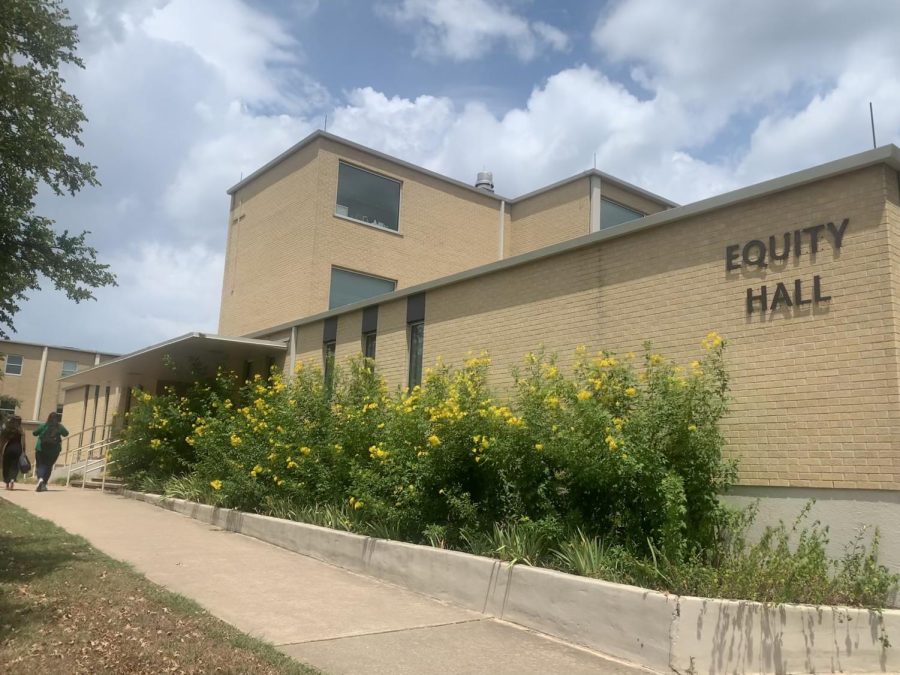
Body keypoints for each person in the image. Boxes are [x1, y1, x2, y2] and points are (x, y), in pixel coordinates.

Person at [33, 411, 68, 492]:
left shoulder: (44, 425)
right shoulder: (59, 427)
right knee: (48, 466)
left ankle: (40, 479)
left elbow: (34, 433)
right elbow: (66, 434)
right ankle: (44, 484)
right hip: (54, 451)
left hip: (41, 449)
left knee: (40, 465)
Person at [1, 415, 26, 490]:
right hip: (18, 448)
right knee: (15, 465)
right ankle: (12, 479)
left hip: (8, 448)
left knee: (6, 465)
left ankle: (7, 483)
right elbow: (23, 442)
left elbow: (2, 440)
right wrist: (23, 451)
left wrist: (1, 449)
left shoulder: (7, 429)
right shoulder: (21, 429)